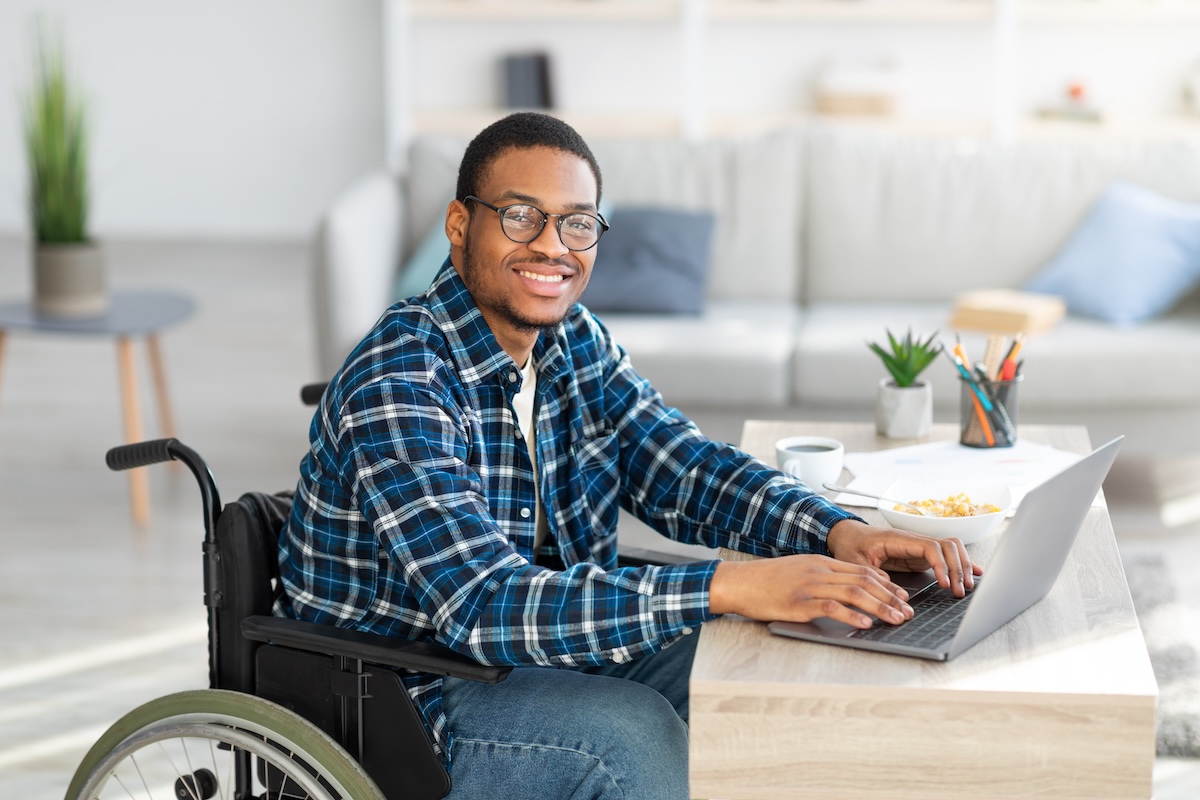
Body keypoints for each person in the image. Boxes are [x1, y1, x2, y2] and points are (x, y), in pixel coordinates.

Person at [279, 111, 981, 799]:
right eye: (521, 216)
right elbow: (484, 606)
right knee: (633, 733)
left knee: (773, 656)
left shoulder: (572, 340)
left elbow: (683, 468)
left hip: (545, 645)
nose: (552, 246)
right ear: (461, 225)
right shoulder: (402, 380)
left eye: (577, 222)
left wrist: (837, 533)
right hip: (409, 693)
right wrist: (726, 586)